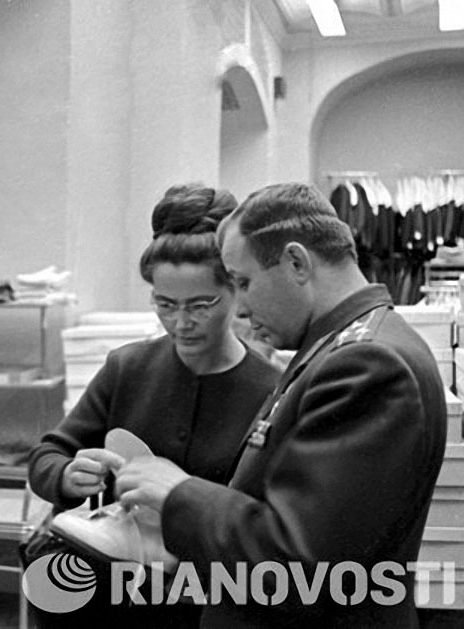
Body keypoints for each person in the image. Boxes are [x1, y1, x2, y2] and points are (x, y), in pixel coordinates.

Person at [115, 182, 447, 627]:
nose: (241, 308)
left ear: (296, 262)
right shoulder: (335, 348)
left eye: (244, 282)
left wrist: (178, 494)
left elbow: (298, 563)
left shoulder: (367, 365)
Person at [27, 183, 281, 627]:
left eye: (202, 305)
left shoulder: (271, 390)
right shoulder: (128, 368)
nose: (181, 322)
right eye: (165, 304)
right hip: (109, 602)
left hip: (206, 603)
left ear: (236, 290)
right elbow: (47, 455)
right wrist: (68, 476)